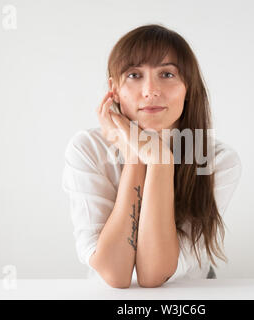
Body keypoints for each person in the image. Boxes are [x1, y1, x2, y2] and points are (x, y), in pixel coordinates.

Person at [62, 24, 242, 288]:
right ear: (114, 89)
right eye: (134, 75)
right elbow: (114, 272)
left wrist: (160, 161)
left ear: (188, 87)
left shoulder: (217, 162)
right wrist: (136, 156)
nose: (150, 90)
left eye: (167, 74)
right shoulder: (87, 149)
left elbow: (154, 274)